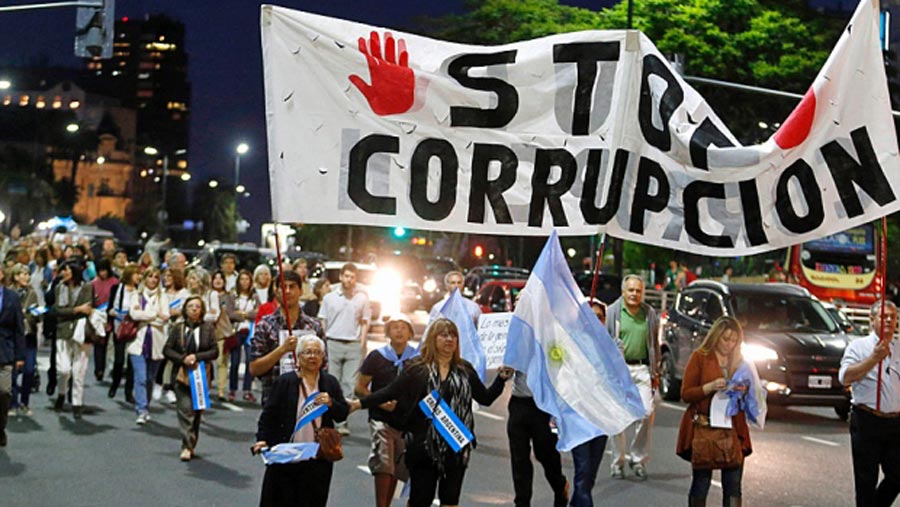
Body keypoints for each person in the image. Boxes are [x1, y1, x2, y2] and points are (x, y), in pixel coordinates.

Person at [351, 318, 513, 507]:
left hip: (456, 445)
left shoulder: (464, 369)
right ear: (433, 339)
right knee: (421, 498)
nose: (449, 339)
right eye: (443, 335)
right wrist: (359, 404)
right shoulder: (417, 368)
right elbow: (390, 392)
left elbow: (485, 398)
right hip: (423, 446)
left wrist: (501, 379)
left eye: (453, 335)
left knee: (450, 499)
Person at [251, 335, 350, 507]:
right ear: (298, 357)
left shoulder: (329, 382)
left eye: (317, 353)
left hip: (317, 457)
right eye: (307, 352)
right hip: (286, 455)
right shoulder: (286, 381)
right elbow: (269, 415)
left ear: (323, 357)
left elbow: (342, 414)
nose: (313, 357)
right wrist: (262, 439)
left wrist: (331, 403)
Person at [676, 317, 753, 507]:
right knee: (701, 483)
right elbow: (686, 393)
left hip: (732, 429)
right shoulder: (700, 357)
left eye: (734, 340)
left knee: (733, 485)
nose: (729, 344)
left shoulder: (740, 361)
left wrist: (744, 390)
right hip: (705, 428)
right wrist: (709, 387)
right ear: (716, 337)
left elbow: (752, 395)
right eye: (725, 339)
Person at [839, 300, 900, 507]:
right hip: (867, 420)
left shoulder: (899, 348)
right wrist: (874, 358)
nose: (890, 320)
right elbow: (845, 377)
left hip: (895, 423)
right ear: (872, 320)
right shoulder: (858, 347)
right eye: (884, 316)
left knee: (897, 475)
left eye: (893, 317)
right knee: (866, 481)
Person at [355, 314, 419, 507]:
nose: (399, 331)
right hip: (381, 418)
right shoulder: (377, 357)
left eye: (403, 327)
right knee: (384, 463)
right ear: (388, 332)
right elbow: (360, 388)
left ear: (410, 332)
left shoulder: (417, 359)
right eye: (394, 327)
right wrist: (380, 402)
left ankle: (391, 502)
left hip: (406, 422)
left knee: (399, 468)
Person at [607, 275, 659, 480]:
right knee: (617, 419)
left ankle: (637, 458)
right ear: (623, 291)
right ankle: (617, 462)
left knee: (646, 412)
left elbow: (654, 344)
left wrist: (656, 372)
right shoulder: (613, 312)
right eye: (631, 290)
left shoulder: (649, 313)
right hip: (619, 371)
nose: (634, 294)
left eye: (638, 291)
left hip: (642, 368)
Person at [250, 270, 325, 405]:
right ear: (276, 291)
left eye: (292, 287)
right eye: (283, 287)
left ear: (301, 291)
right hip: (274, 400)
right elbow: (254, 368)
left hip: (307, 401)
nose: (288, 291)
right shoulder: (265, 325)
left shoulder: (314, 327)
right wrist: (282, 350)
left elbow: (324, 367)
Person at [163, 295, 218, 462]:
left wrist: (197, 357)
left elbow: (214, 352)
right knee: (185, 410)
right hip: (181, 375)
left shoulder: (208, 329)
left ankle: (192, 442)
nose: (194, 309)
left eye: (197, 307)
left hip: (201, 375)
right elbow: (167, 350)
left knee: (196, 412)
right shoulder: (178, 328)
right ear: (185, 310)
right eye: (191, 306)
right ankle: (186, 445)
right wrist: (182, 359)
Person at [319, 262, 370, 435]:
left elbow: (364, 322)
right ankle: (328, 418)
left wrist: (362, 343)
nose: (349, 280)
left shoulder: (362, 298)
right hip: (333, 341)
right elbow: (323, 320)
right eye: (346, 276)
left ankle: (342, 421)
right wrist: (324, 341)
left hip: (353, 344)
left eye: (352, 277)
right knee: (332, 381)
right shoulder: (330, 298)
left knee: (349, 384)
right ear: (341, 277)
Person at [568, 298, 610, 507]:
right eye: (589, 317)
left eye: (599, 317)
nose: (595, 321)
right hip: (579, 417)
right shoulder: (571, 345)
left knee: (589, 475)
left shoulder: (612, 347)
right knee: (583, 471)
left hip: (600, 419)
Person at [507, 370, 569, 507]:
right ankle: (522, 502)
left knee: (546, 453)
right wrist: (505, 371)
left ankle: (560, 486)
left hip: (544, 406)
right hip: (519, 402)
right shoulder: (516, 347)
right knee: (519, 458)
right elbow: (507, 363)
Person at [51, 260, 95, 418]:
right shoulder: (59, 288)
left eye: (67, 271)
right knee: (63, 369)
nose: (64, 273)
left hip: (81, 332)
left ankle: (77, 403)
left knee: (79, 370)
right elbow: (57, 310)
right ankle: (61, 392)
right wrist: (76, 309)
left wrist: (73, 311)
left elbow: (88, 309)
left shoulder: (87, 287)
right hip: (63, 331)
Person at [128, 267, 170, 425]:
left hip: (157, 343)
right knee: (141, 377)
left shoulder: (163, 296)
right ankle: (141, 409)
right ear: (144, 278)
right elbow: (134, 315)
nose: (153, 280)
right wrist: (155, 314)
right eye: (150, 277)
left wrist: (147, 315)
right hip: (138, 343)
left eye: (156, 277)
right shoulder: (136, 296)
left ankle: (146, 405)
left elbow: (164, 319)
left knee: (150, 379)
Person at [9, 264, 38, 417]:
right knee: (12, 373)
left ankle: (24, 402)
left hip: (29, 337)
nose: (26, 277)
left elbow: (37, 315)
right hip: (13, 338)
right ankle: (12, 403)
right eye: (23, 274)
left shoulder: (32, 293)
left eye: (27, 274)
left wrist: (34, 314)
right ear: (15, 276)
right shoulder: (9, 294)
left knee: (29, 370)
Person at [0, 266, 25, 447]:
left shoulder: (12, 297)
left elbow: (19, 328)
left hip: (6, 351)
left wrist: (20, 356)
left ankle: (0, 427)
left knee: (4, 392)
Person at [108, 263, 139, 402]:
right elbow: (109, 308)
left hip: (134, 328)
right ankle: (115, 384)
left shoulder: (139, 291)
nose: (138, 277)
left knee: (132, 361)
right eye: (136, 274)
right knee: (119, 360)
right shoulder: (117, 289)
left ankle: (129, 391)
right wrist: (114, 313)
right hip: (119, 326)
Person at [226, 269, 259, 402]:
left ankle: (247, 390)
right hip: (236, 331)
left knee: (250, 361)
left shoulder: (255, 296)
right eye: (242, 279)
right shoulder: (232, 295)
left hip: (250, 332)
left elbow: (257, 313)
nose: (244, 282)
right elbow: (230, 313)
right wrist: (246, 314)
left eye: (247, 279)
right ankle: (232, 389)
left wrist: (243, 314)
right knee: (234, 362)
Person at [91, 259, 118, 382]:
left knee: (106, 342)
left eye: (105, 270)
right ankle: (99, 369)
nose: (103, 273)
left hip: (109, 316)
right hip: (97, 315)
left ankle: (105, 366)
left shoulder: (114, 282)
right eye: (100, 271)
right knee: (98, 343)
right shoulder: (94, 283)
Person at [211, 269, 233, 401]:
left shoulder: (229, 296)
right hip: (208, 331)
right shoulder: (207, 295)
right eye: (215, 278)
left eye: (221, 278)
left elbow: (231, 313)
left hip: (223, 332)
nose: (218, 281)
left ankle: (221, 390)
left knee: (222, 362)